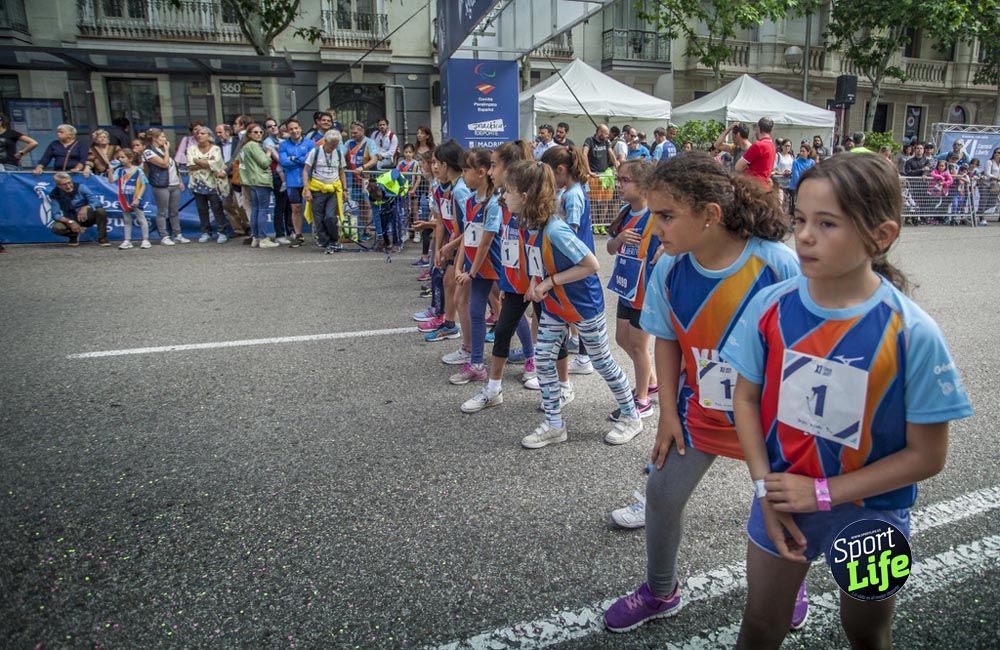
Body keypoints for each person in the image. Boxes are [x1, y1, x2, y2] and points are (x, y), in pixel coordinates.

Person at [723, 153, 972, 650]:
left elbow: (928, 455)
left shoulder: (913, 333)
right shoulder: (771, 306)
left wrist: (823, 493)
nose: (805, 236)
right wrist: (763, 490)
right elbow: (745, 399)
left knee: (867, 632)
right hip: (782, 502)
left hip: (873, 514)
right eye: (799, 220)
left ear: (881, 235)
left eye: (827, 223)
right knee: (761, 625)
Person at [603, 152, 803, 632]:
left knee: (783, 509)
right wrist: (668, 412)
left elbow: (804, 349)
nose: (655, 228)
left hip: (775, 423)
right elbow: (667, 342)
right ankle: (659, 590)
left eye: (666, 216)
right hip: (701, 415)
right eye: (652, 215)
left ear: (710, 215)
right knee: (661, 492)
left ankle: (788, 589)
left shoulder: (778, 266)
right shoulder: (671, 270)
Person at [510, 160, 642, 448]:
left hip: (583, 306)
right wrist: (535, 283)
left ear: (524, 196)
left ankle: (632, 416)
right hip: (557, 308)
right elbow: (539, 261)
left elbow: (591, 264)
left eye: (507, 191)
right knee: (543, 360)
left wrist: (547, 283)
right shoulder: (529, 224)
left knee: (603, 362)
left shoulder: (556, 229)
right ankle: (555, 425)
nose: (503, 196)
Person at [460, 141, 537, 413]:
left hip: (537, 282)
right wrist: (506, 279)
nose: (490, 171)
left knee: (556, 339)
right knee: (503, 329)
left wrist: (542, 280)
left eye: (494, 165)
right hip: (513, 279)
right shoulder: (500, 201)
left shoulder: (527, 203)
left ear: (510, 167)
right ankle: (493, 388)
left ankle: (559, 385)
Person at [604, 159, 661, 423]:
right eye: (619, 179)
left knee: (639, 346)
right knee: (621, 338)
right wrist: (619, 239)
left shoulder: (657, 215)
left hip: (646, 291)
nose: (619, 185)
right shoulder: (626, 213)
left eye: (625, 180)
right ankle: (649, 380)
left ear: (645, 185)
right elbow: (609, 249)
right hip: (627, 285)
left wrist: (664, 249)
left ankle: (642, 400)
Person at [542, 145, 597, 378]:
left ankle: (584, 358)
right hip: (575, 263)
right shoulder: (570, 192)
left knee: (583, 314)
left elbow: (571, 233)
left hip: (578, 264)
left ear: (561, 170)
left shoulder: (573, 195)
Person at [451, 148, 500, 385]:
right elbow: (468, 237)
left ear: (481, 172)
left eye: (465, 170)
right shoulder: (471, 200)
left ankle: (530, 356)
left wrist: (470, 271)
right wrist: (461, 265)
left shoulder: (493, 203)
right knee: (476, 311)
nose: (462, 175)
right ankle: (477, 364)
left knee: (512, 315)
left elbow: (486, 242)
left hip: (496, 267)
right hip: (478, 269)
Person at [424, 140, 469, 345]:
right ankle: (450, 325)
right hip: (457, 243)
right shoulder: (443, 187)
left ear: (446, 164)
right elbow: (443, 220)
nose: (433, 167)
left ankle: (500, 327)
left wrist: (452, 243)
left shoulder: (460, 190)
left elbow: (471, 224)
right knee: (449, 283)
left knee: (492, 295)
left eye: (436, 162)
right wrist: (439, 247)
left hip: (466, 245)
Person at [303, 130, 348, 253]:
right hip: (317, 190)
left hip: (333, 189)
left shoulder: (338, 153)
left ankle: (334, 240)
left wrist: (345, 189)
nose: (334, 146)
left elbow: (342, 172)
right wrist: (307, 190)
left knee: (330, 217)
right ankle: (326, 242)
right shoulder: (315, 152)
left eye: (336, 144)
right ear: (325, 141)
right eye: (332, 144)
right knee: (318, 219)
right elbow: (306, 171)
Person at [143, 128, 189, 245]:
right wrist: (167, 150)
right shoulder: (148, 151)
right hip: (161, 184)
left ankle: (177, 234)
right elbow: (164, 164)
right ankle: (164, 236)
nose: (165, 139)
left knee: (174, 211)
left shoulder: (165, 149)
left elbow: (174, 166)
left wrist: (180, 181)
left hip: (174, 183)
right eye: (162, 137)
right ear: (154, 139)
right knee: (162, 211)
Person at [238, 122, 280, 248]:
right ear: (249, 134)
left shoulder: (245, 147)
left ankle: (256, 237)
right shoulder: (254, 146)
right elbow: (264, 162)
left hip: (252, 181)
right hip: (260, 180)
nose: (259, 134)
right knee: (262, 209)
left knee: (256, 209)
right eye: (255, 132)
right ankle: (262, 238)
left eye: (261, 132)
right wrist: (268, 152)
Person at [186, 125, 230, 243]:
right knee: (202, 209)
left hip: (213, 183)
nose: (199, 135)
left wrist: (198, 161)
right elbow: (190, 165)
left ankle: (222, 232)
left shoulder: (215, 148)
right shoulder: (191, 149)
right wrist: (206, 162)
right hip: (197, 183)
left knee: (217, 208)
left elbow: (216, 164)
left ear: (209, 136)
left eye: (202, 133)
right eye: (198, 133)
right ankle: (206, 232)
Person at [278, 118, 314, 247]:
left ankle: (319, 235)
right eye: (291, 129)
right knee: (296, 209)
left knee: (315, 208)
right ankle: (299, 235)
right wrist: (301, 159)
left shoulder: (310, 143)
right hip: (292, 182)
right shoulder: (283, 145)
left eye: (296, 128)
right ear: (287, 131)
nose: (294, 131)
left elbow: (310, 160)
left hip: (309, 181)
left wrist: (293, 158)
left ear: (300, 128)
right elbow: (284, 162)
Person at [48, 172, 109, 246]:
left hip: (86, 217)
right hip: (70, 218)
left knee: (100, 211)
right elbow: (55, 215)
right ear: (58, 186)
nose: (68, 186)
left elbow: (97, 202)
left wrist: (86, 207)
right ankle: (73, 236)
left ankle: (102, 237)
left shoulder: (81, 187)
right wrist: (70, 222)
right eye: (64, 184)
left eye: (69, 182)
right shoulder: (55, 194)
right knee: (57, 228)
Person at [108, 149, 151, 250]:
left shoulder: (138, 170)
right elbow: (111, 180)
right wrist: (110, 171)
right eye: (119, 157)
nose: (120, 159)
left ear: (130, 159)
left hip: (135, 197)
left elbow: (143, 184)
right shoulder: (119, 171)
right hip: (124, 198)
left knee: (141, 218)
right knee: (127, 220)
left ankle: (145, 239)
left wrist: (138, 198)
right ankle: (127, 240)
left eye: (123, 157)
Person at [344, 121, 378, 239]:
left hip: (367, 178)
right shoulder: (348, 143)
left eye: (355, 133)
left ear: (362, 131)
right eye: (351, 133)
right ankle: (358, 229)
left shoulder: (370, 142)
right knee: (356, 204)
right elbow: (342, 156)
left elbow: (374, 159)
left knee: (366, 203)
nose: (353, 135)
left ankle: (367, 229)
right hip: (353, 179)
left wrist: (363, 167)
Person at [262, 117, 292, 245]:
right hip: (277, 176)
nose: (273, 127)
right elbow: (280, 159)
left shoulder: (281, 140)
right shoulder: (267, 142)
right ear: (266, 129)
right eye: (269, 126)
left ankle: (290, 231)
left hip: (287, 174)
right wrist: (291, 157)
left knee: (289, 205)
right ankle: (279, 234)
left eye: (274, 125)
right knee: (280, 205)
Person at [736, 117, 776, 189]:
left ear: (758, 128)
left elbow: (738, 167)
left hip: (753, 188)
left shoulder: (758, 145)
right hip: (764, 187)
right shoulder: (772, 146)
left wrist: (747, 167)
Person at [786, 144, 816, 216]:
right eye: (800, 151)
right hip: (795, 187)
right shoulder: (796, 162)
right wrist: (801, 185)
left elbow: (813, 174)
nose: (801, 153)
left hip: (808, 187)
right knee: (794, 206)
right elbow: (796, 175)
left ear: (808, 152)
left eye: (803, 151)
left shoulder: (812, 162)